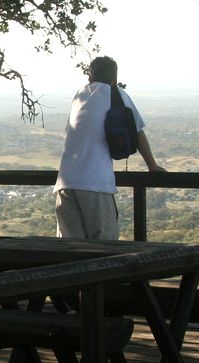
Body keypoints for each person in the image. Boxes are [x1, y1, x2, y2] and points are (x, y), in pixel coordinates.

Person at [53, 55, 165, 240]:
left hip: (65, 183)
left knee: (70, 251)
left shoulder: (80, 95)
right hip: (94, 183)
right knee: (104, 247)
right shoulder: (117, 94)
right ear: (115, 79)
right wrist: (151, 165)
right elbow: (137, 131)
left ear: (90, 77)